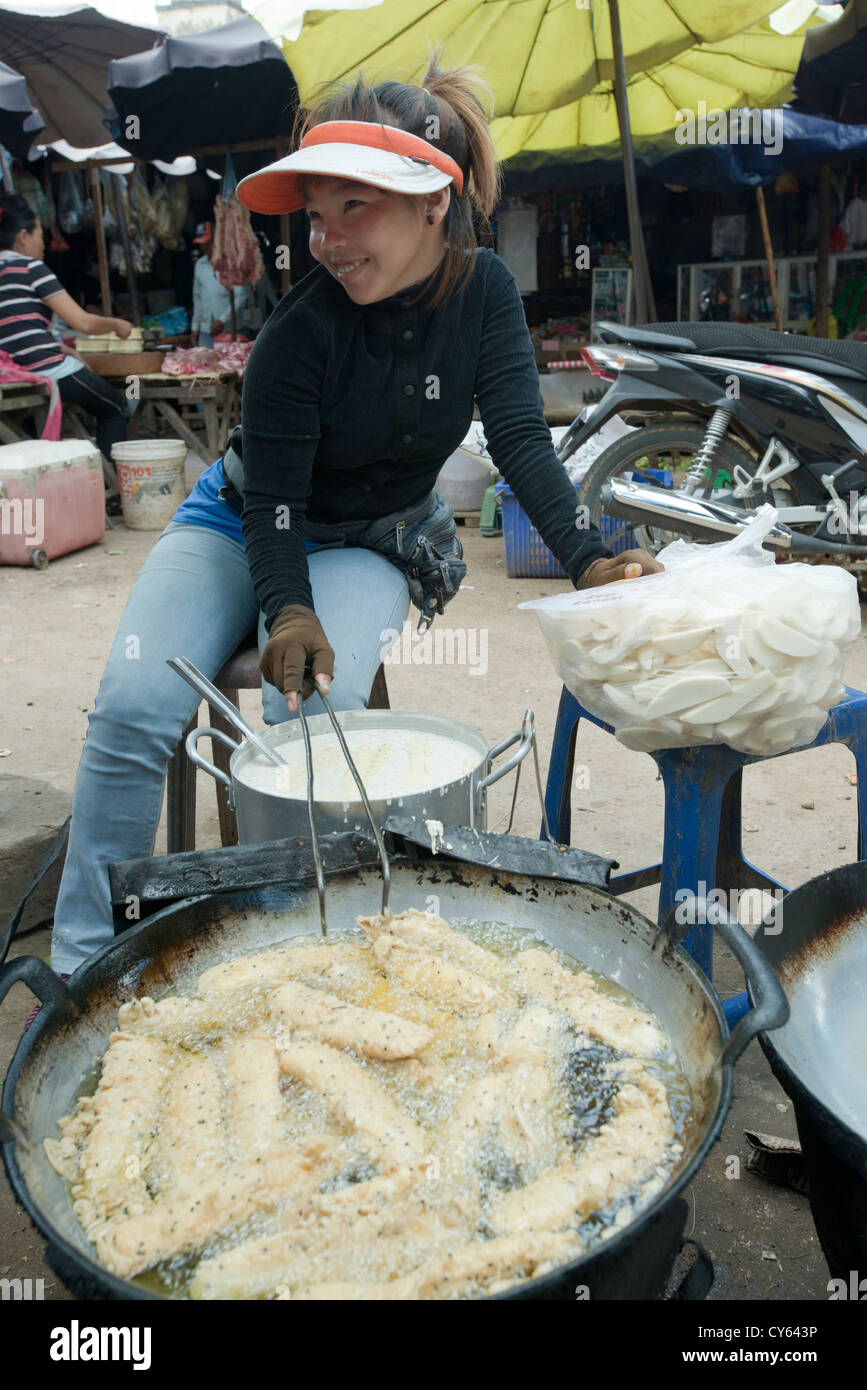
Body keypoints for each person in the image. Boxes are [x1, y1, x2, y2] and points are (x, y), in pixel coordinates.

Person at [48, 47, 662, 983]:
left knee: (319, 712)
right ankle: (84, 962)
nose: (327, 240)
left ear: (433, 204)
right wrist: (285, 608)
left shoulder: (487, 295)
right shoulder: (300, 331)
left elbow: (521, 443)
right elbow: (277, 505)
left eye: (355, 208)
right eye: (318, 213)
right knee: (134, 707)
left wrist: (586, 556)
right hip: (242, 515)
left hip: (376, 533)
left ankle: (299, 948)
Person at [0, 194, 131, 464]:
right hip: (47, 370)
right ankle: (115, 489)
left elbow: (14, 332)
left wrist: (60, 347)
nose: (43, 244)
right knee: (116, 407)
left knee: (24, 428)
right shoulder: (31, 267)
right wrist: (117, 324)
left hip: (12, 373)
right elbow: (83, 323)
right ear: (23, 236)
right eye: (39, 235)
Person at [190, 221, 247, 346]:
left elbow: (241, 296)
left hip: (231, 330)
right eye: (201, 243)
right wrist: (195, 326)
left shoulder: (232, 263)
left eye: (207, 242)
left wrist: (222, 320)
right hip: (206, 331)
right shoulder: (200, 265)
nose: (204, 246)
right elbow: (197, 297)